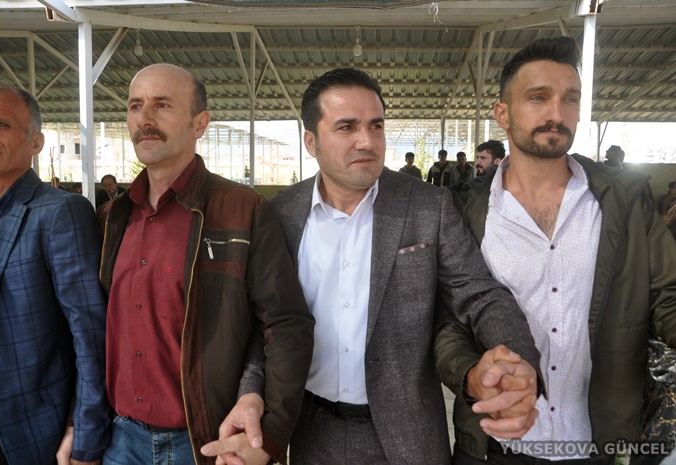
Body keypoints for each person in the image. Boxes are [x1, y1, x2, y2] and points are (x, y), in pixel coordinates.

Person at [203, 67, 542, 465]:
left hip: (410, 435)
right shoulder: (281, 214)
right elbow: (265, 323)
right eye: (346, 127)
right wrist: (251, 393)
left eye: (376, 126)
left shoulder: (427, 206)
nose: (366, 140)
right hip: (311, 432)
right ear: (311, 142)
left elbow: (479, 293)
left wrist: (516, 361)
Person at [437, 36, 676, 465]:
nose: (556, 114)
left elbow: (669, 297)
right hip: (495, 446)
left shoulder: (624, 204)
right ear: (503, 114)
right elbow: (447, 318)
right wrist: (473, 374)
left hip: (601, 443)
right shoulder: (466, 212)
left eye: (570, 99)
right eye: (538, 97)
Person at [97, 63, 314, 465]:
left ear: (200, 123)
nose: (144, 119)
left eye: (162, 105)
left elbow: (285, 324)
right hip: (118, 440)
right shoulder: (113, 218)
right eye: (135, 106)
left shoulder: (244, 211)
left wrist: (269, 435)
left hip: (205, 443)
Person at [0, 81, 109, 464]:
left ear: (36, 142)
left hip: (25, 427)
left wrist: (85, 432)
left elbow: (89, 333)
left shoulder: (59, 212)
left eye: (0, 124)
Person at [454, 140, 506, 208]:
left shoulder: (507, 186)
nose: (477, 162)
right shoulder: (473, 185)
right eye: (477, 158)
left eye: (483, 158)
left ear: (497, 161)